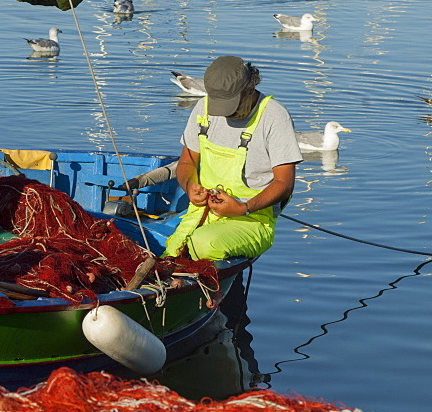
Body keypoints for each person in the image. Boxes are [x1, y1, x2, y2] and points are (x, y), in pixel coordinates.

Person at [129, 56, 302, 261]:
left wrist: (243, 209)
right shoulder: (203, 107)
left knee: (203, 243)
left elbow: (285, 184)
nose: (225, 115)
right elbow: (187, 162)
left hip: (252, 220)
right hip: (200, 213)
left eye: (231, 107)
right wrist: (190, 186)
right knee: (168, 255)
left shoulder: (274, 116)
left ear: (249, 89)